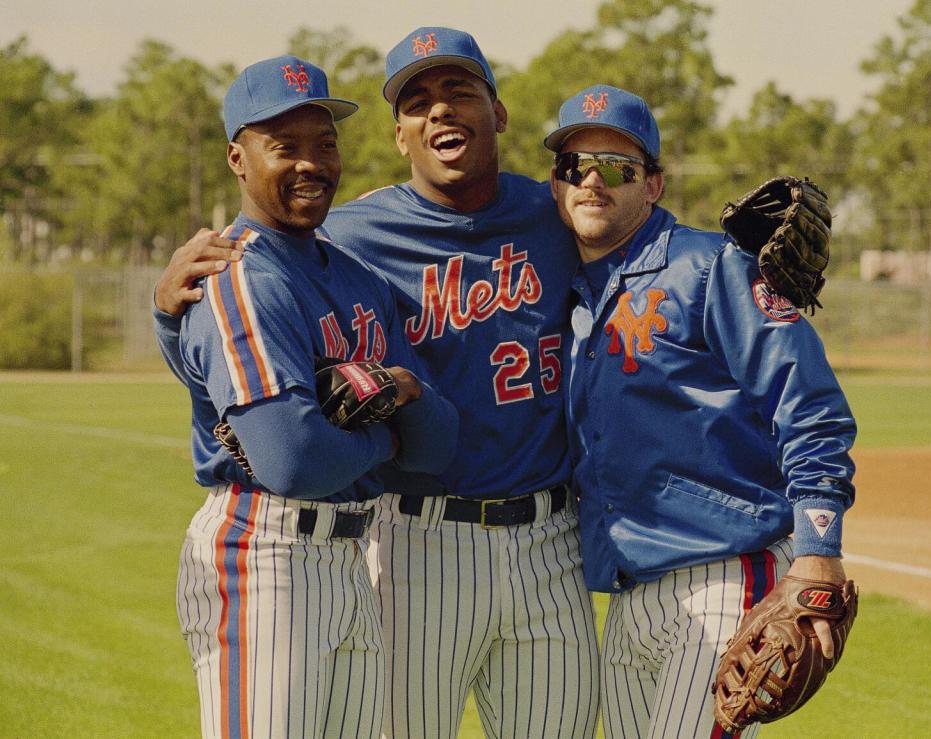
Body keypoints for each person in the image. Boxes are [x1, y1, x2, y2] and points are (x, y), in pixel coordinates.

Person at [157, 30, 600, 739]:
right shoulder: (353, 232)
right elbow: (268, 424)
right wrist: (165, 317)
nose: (440, 112)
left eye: (460, 92)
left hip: (549, 536)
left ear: (499, 111)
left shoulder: (558, 212)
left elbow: (650, 256)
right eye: (418, 101)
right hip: (411, 537)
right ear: (399, 135)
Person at [544, 85, 857, 738]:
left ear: (653, 185)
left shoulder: (710, 268)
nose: (593, 181)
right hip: (629, 595)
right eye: (577, 165)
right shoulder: (569, 294)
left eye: (618, 167)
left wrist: (819, 549)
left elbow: (810, 403)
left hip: (723, 576)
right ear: (556, 184)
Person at [170, 55, 457, 739]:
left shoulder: (357, 277)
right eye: (285, 146)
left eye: (324, 144)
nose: (311, 162)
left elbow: (439, 446)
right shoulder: (240, 275)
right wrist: (388, 431)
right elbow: (294, 458)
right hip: (264, 553)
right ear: (239, 159)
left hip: (353, 559)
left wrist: (401, 391)